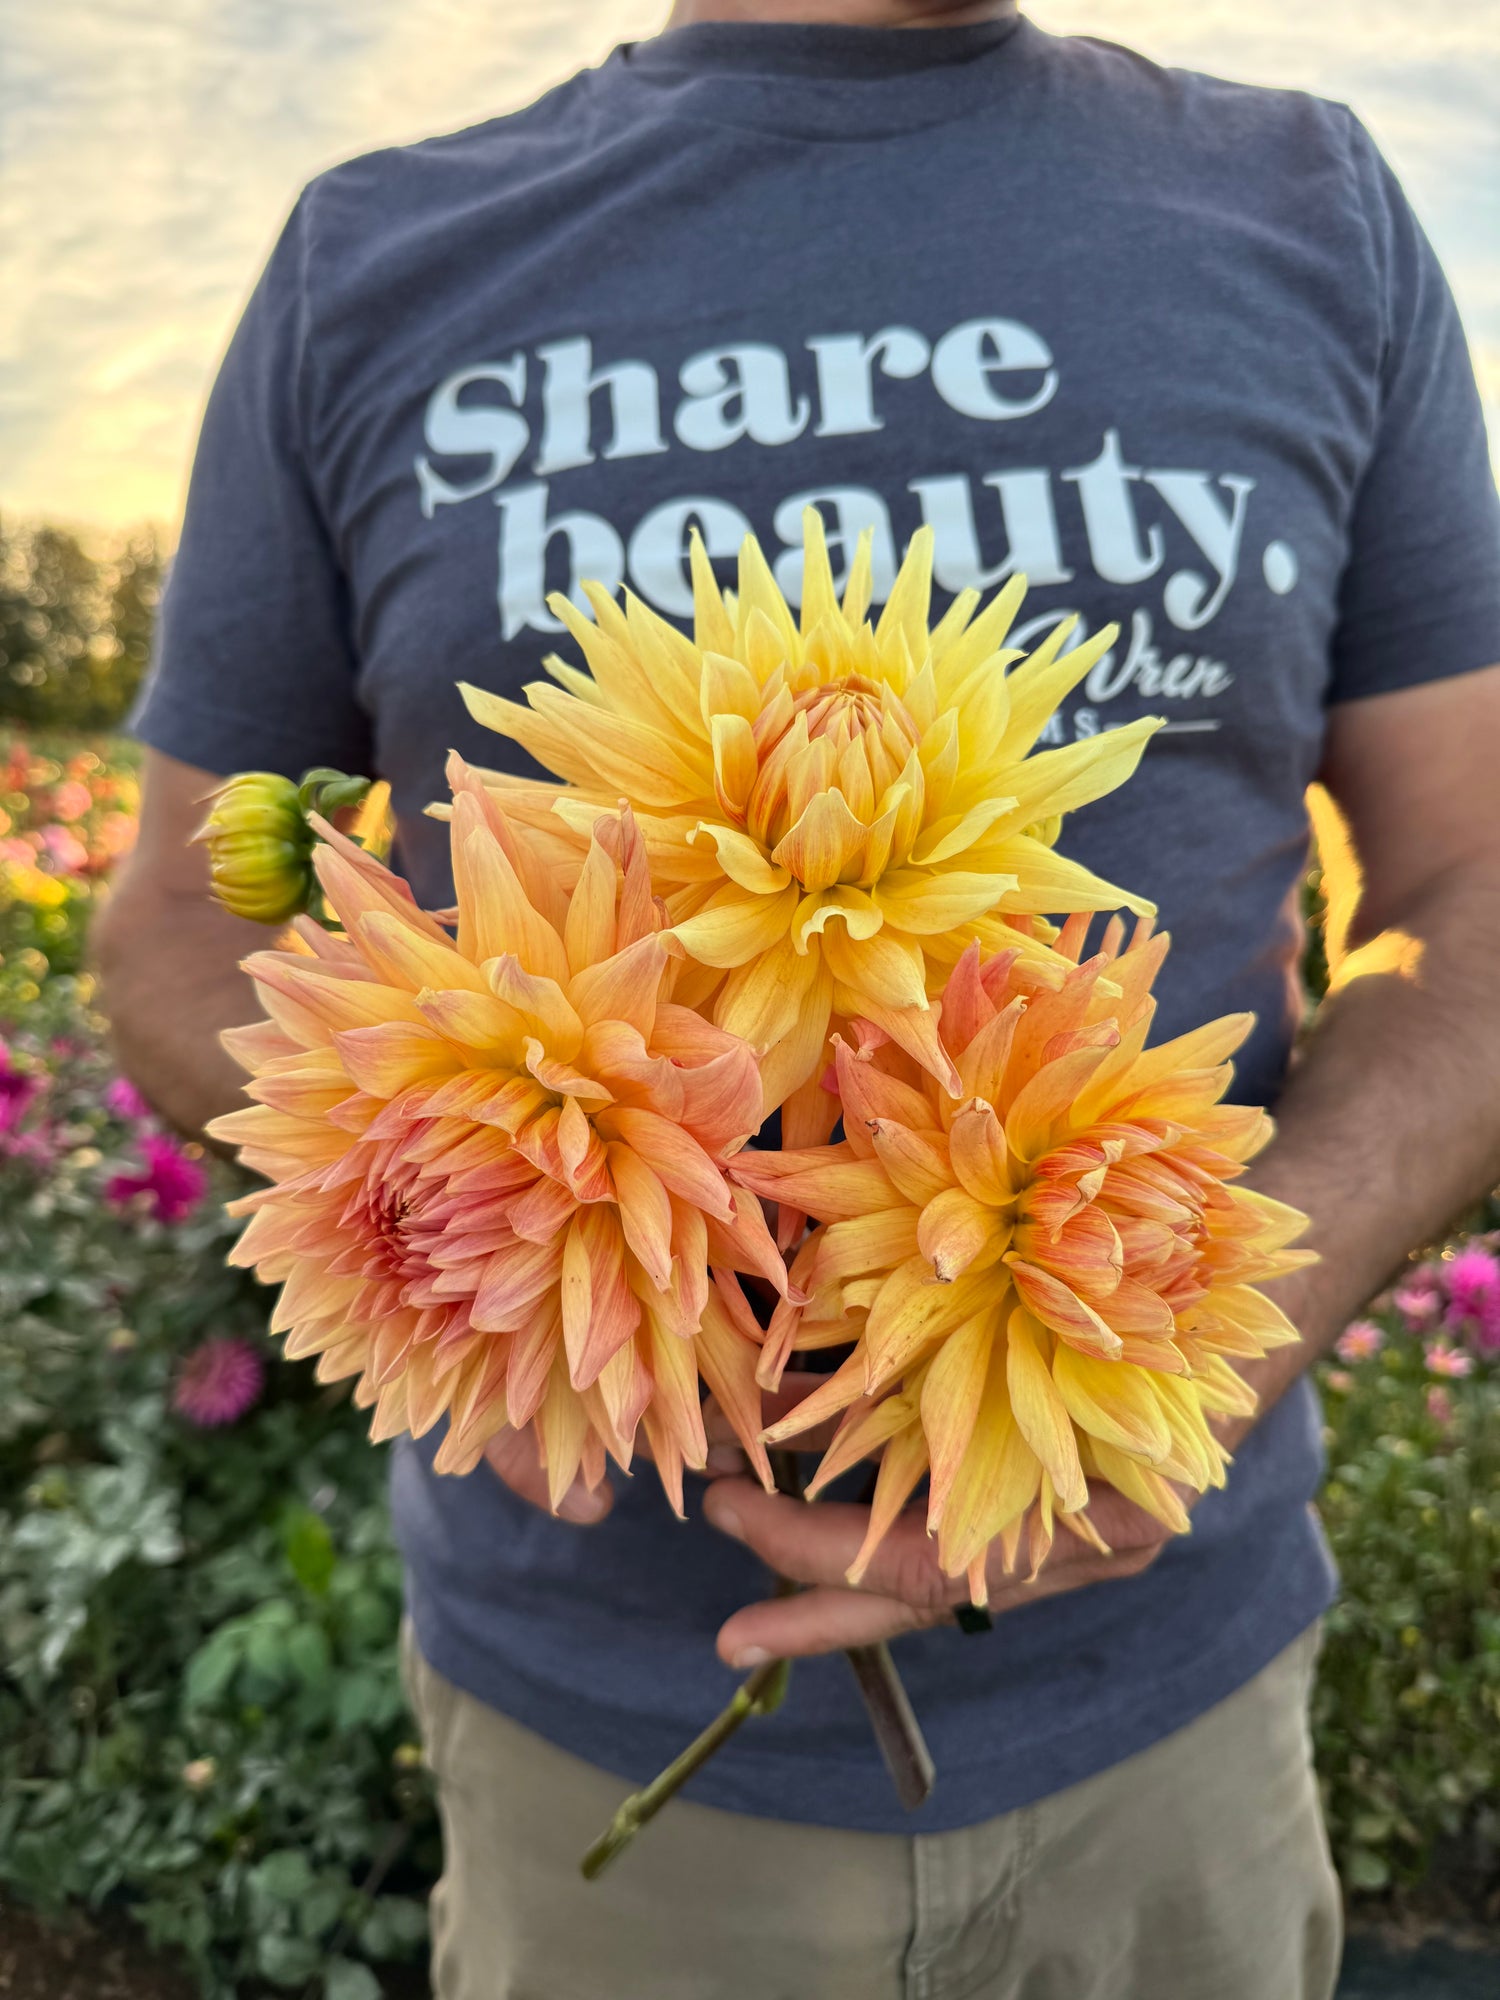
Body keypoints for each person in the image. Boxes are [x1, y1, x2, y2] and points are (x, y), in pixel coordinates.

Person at [97, 1, 1500, 1994]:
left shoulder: (1316, 205)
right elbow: (177, 909)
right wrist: (451, 1197)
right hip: (594, 1744)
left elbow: (1477, 876)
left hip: (1173, 1731)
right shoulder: (371, 255)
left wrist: (1233, 1289)